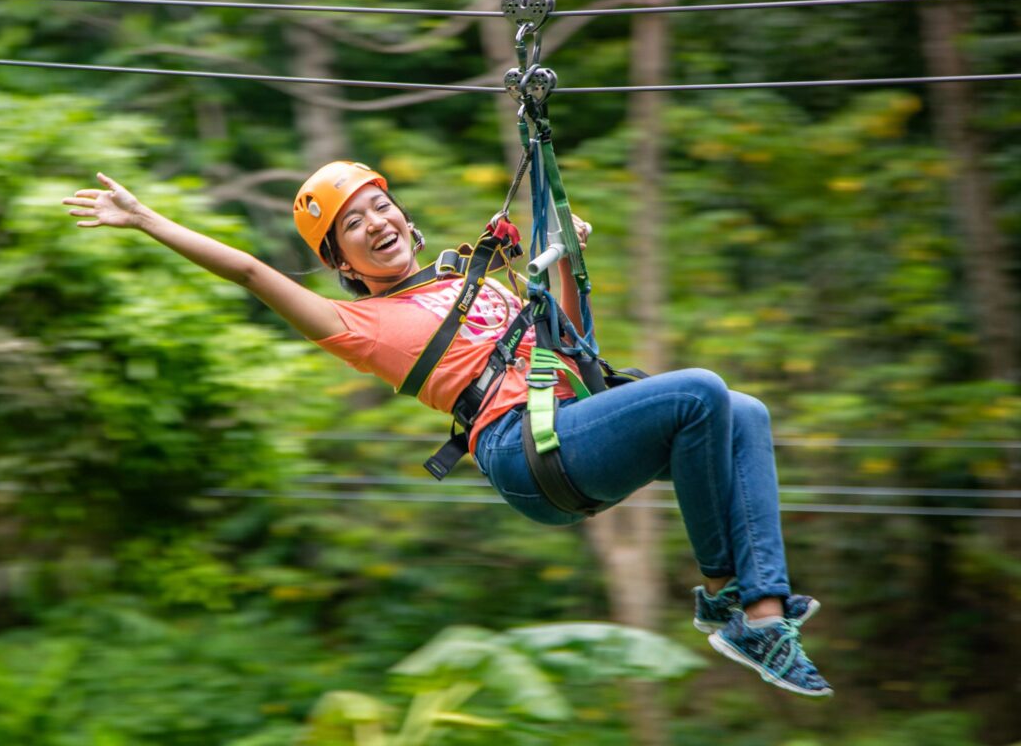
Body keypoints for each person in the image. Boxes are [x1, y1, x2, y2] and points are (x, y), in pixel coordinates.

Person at [62, 162, 833, 698]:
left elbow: (568, 338)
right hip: (525, 454)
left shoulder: (477, 284)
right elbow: (252, 275)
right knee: (701, 391)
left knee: (743, 413)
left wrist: (563, 254)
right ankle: (727, 598)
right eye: (353, 226)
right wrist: (147, 221)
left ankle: (759, 608)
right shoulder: (356, 323)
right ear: (343, 264)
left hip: (569, 420)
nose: (377, 223)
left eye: (379, 207)